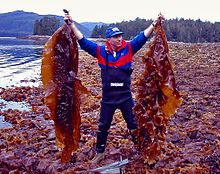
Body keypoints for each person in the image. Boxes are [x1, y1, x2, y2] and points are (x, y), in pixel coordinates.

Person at [64, 14, 164, 163]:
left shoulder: (129, 48)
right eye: (116, 37)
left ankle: (142, 149)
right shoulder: (100, 51)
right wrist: (72, 25)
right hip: (108, 99)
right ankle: (100, 152)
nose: (119, 39)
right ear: (109, 39)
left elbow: (142, 37)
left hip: (125, 98)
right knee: (103, 126)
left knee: (133, 124)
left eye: (120, 36)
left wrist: (154, 24)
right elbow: (83, 42)